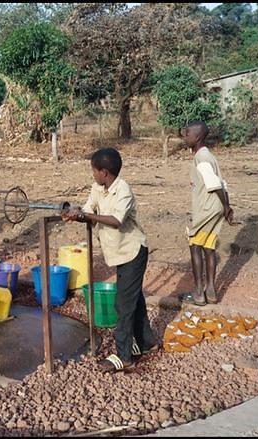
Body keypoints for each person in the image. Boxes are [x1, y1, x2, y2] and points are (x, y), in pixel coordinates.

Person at [62, 147, 157, 373]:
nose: (92, 175)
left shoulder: (123, 189)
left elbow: (116, 219)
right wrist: (74, 214)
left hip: (133, 251)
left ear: (104, 172)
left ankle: (124, 356)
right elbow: (88, 209)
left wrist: (85, 215)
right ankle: (147, 342)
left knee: (123, 304)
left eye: (94, 171)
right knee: (134, 299)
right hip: (119, 254)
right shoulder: (98, 188)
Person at [181, 121, 234, 306]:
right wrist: (226, 206)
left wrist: (226, 206)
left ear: (197, 137)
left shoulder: (201, 158)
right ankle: (211, 291)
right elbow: (223, 182)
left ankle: (198, 293)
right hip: (216, 206)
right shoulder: (209, 156)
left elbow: (214, 184)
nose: (184, 137)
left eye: (187, 134)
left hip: (207, 208)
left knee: (195, 245)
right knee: (209, 247)